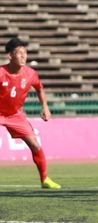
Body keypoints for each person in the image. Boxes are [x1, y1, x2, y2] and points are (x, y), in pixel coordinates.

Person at [0, 38, 60, 189]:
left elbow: (39, 88)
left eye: (24, 53)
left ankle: (45, 179)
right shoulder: (1, 73)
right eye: (18, 53)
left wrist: (45, 107)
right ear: (10, 56)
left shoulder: (31, 74)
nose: (23, 56)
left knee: (34, 144)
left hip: (15, 115)